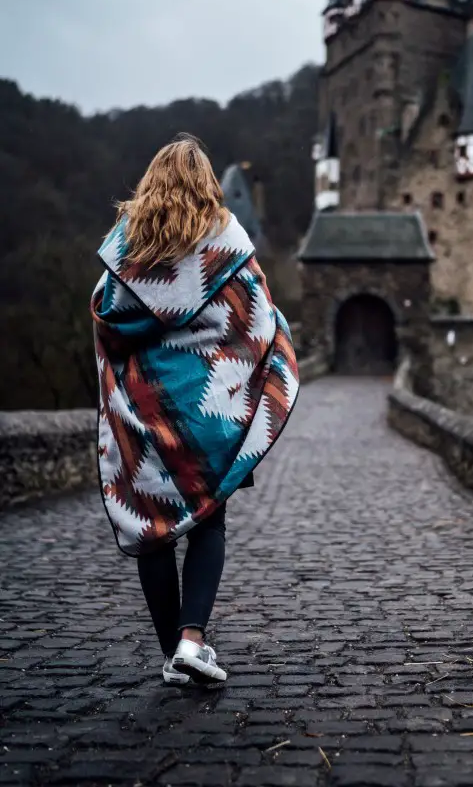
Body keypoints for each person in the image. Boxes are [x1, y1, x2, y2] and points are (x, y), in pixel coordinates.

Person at [91, 135, 299, 685]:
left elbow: (107, 325)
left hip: (142, 412)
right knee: (210, 521)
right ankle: (192, 640)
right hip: (211, 414)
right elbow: (260, 323)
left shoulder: (124, 251)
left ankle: (172, 654)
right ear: (208, 185)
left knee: (152, 530)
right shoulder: (226, 244)